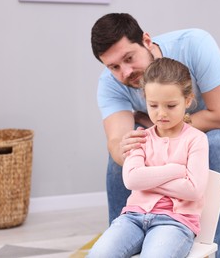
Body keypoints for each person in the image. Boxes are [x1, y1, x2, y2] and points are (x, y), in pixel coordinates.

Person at [91, 13, 220, 258]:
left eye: (129, 58)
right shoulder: (110, 84)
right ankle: (124, 237)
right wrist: (134, 151)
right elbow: (118, 143)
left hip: (213, 125)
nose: (125, 72)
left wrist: (172, 130)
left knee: (218, 145)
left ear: (146, 40)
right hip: (157, 137)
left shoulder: (194, 44)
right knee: (124, 154)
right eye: (114, 67)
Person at [87, 57, 210, 258]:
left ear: (187, 101)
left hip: (175, 222)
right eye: (153, 105)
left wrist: (147, 180)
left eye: (170, 106)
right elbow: (131, 180)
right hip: (132, 218)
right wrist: (176, 170)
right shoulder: (140, 137)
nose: (161, 113)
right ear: (145, 100)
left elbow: (194, 190)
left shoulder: (197, 140)